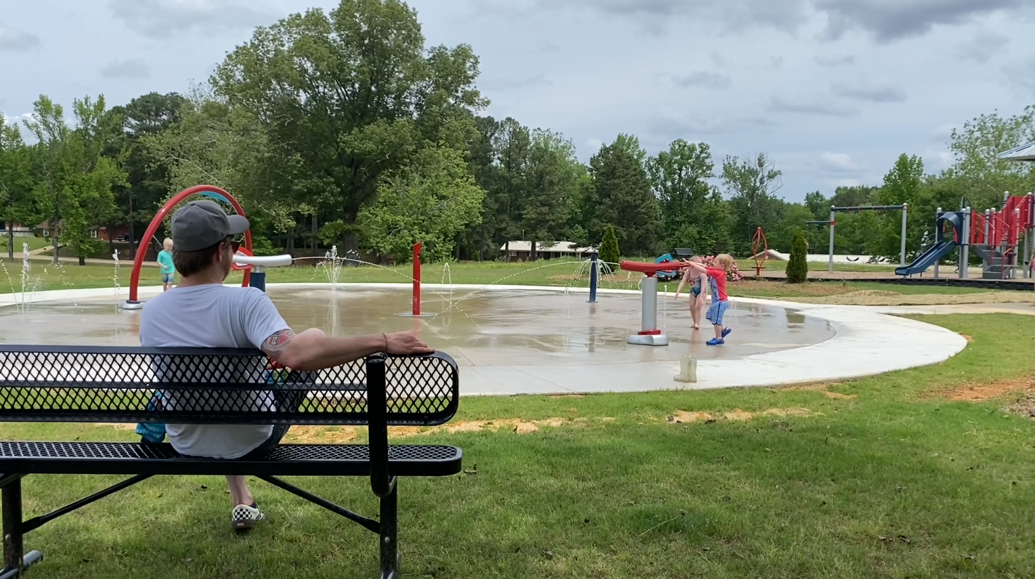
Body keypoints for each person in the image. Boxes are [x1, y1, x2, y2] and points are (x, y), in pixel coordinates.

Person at [139, 200, 433, 532]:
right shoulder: (245, 301)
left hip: (187, 442)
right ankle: (241, 495)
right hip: (254, 438)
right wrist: (381, 340)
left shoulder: (152, 312)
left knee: (226, 398)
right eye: (233, 245)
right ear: (222, 251)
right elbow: (298, 356)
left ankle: (242, 498)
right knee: (313, 345)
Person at [680, 254, 735, 346]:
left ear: (722, 266)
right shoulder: (717, 270)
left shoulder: (718, 273)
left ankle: (719, 338)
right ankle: (724, 329)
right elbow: (704, 266)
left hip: (720, 302)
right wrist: (690, 263)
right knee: (710, 316)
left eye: (716, 262)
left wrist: (691, 264)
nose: (713, 263)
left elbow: (703, 270)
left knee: (716, 321)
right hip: (717, 301)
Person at [673, 256, 707, 330]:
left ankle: (697, 323)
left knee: (698, 306)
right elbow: (683, 281)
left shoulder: (702, 273)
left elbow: (703, 286)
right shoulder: (689, 271)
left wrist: (701, 297)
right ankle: (694, 322)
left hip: (701, 292)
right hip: (693, 291)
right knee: (691, 306)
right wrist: (678, 292)